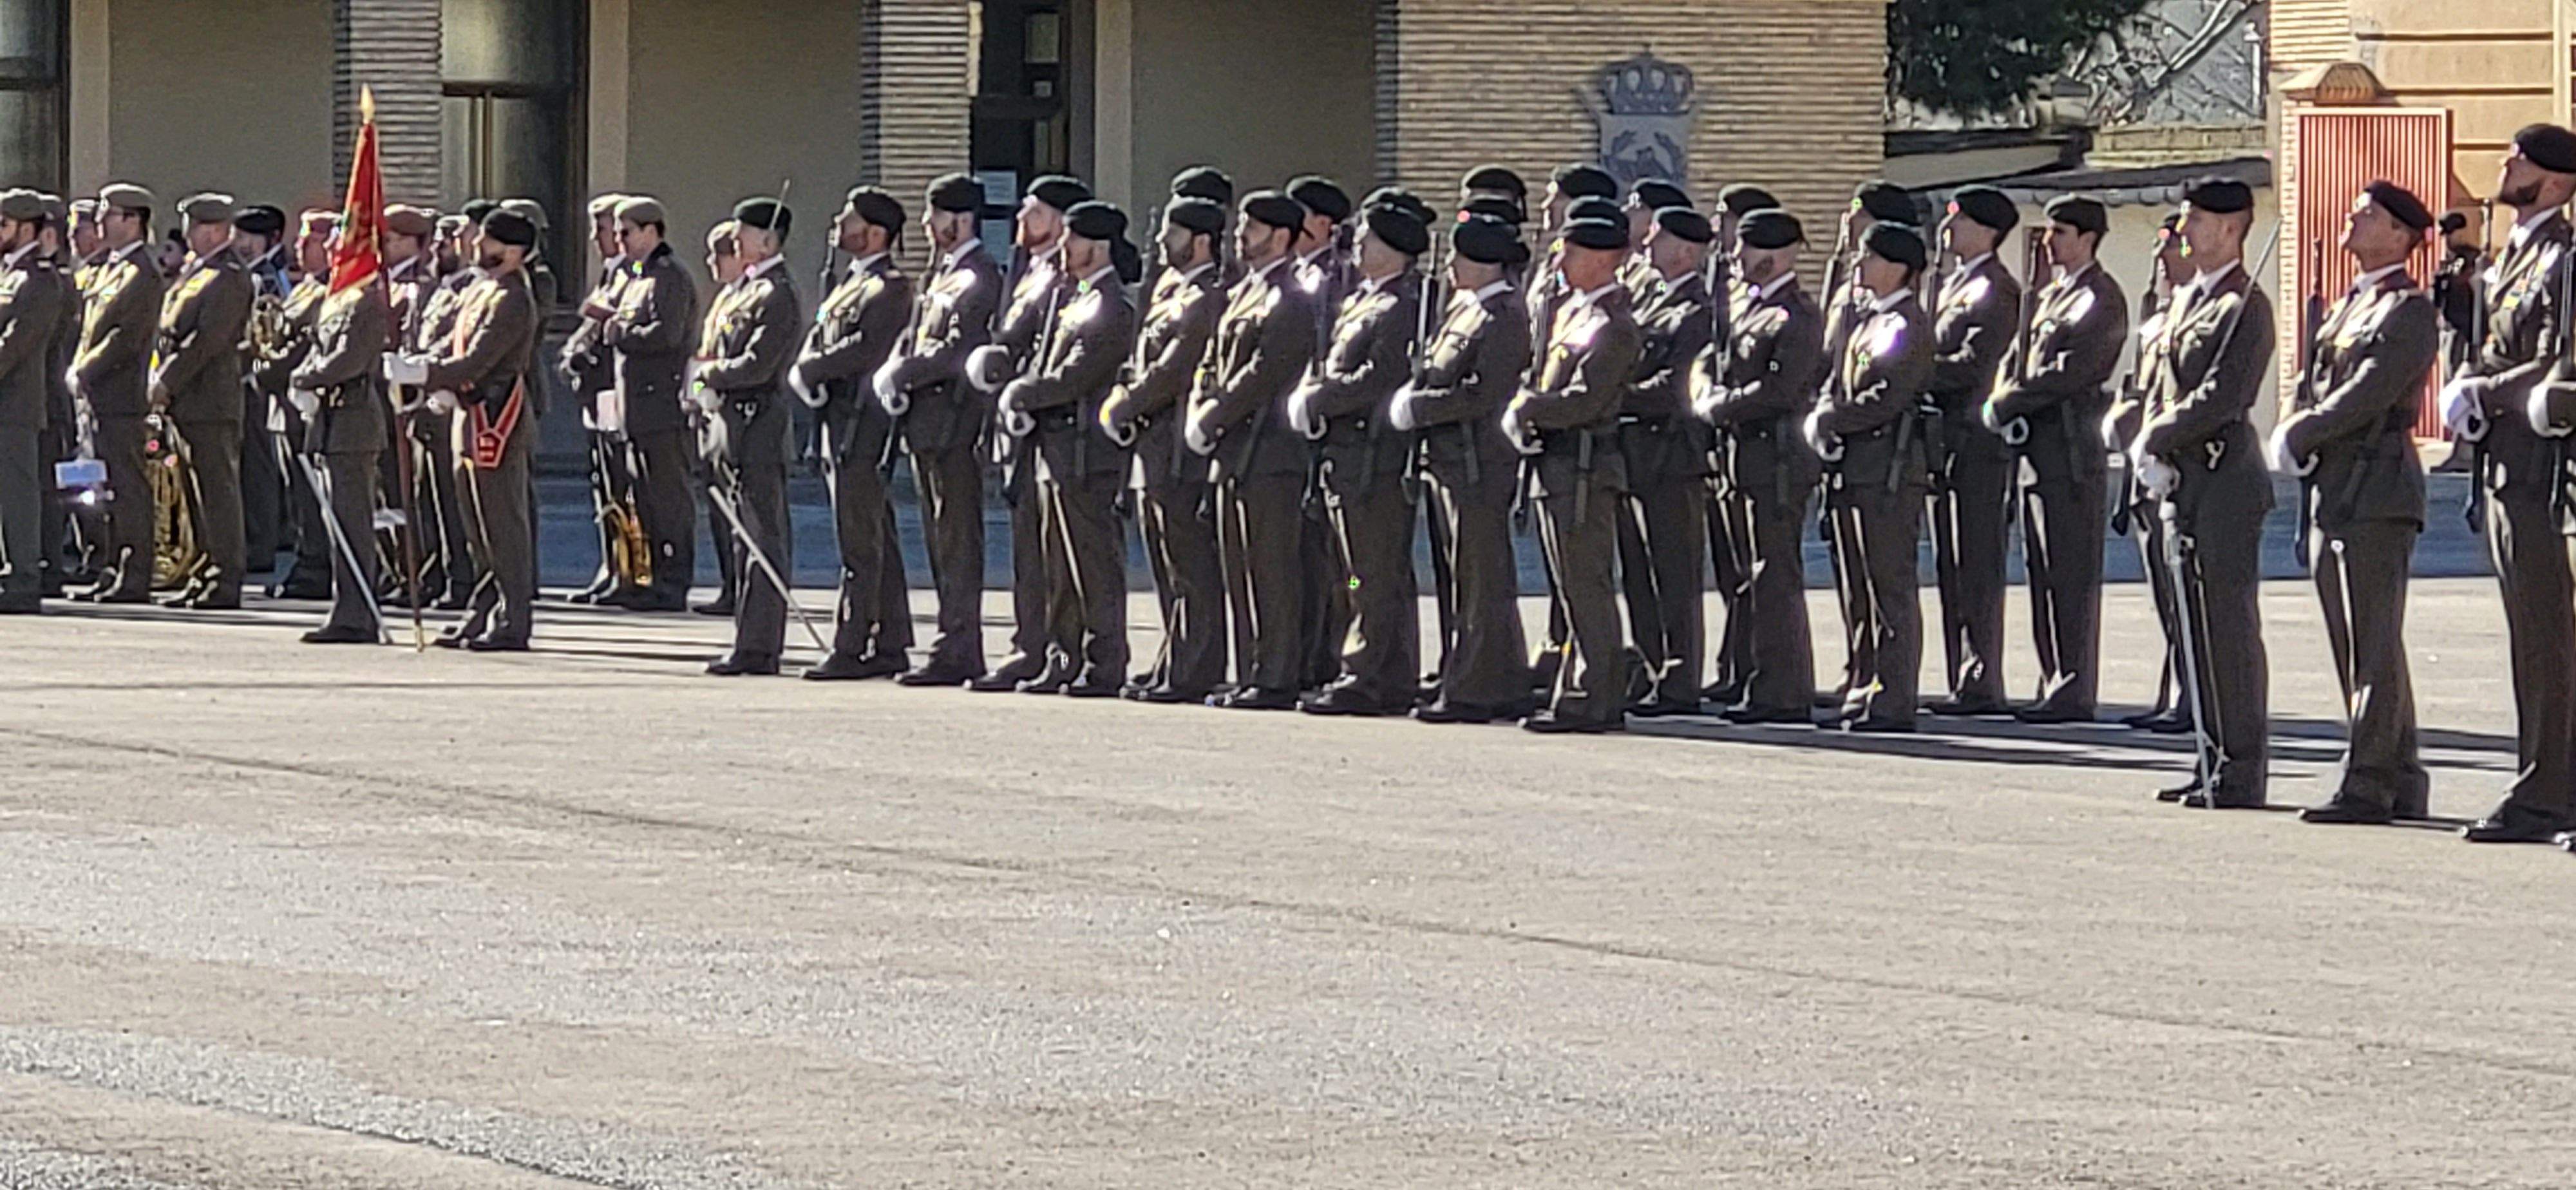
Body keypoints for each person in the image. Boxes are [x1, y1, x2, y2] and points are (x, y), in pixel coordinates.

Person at [2271, 180, 2438, 825]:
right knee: (2360, 641)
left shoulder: (2407, 310)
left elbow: (2368, 392)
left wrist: (2303, 431)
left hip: (2377, 486)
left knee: (2373, 640)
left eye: (2368, 215)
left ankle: (2368, 782)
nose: (2352, 218)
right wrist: (2293, 425)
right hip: (2334, 485)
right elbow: (2311, 381)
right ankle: (2402, 773)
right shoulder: (2347, 306)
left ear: (2400, 237)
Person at [2443, 124, 2576, 845]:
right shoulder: (2507, 259)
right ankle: (2547, 785)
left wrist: (2484, 392)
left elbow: (2559, 357)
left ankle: (2544, 793)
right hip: (2502, 466)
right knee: (2531, 636)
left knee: (2549, 640)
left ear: (2555, 184)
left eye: (2520, 161)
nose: (2506, 164)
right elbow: (2492, 347)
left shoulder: (2563, 260)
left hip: (2543, 470)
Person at [2131, 176, 2275, 808]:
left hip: (2223, 479)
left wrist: (2157, 435)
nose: (2185, 231)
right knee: (2191, 622)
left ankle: (2240, 766)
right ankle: (2210, 754)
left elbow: (2224, 395)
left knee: (2226, 628)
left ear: (2230, 228)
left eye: (2195, 221)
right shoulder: (2188, 299)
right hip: (2183, 480)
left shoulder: (2243, 305)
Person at [1986, 194, 2128, 724]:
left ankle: (2074, 685)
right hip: (2036, 452)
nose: (2050, 240)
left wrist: (2014, 399)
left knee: (2070, 572)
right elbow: (2013, 357)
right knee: (2041, 572)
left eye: (2061, 231)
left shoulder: (2099, 297)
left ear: (2088, 238)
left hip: (2069, 451)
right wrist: (2002, 394)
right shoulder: (2048, 297)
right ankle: (2052, 677)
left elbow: (2076, 367)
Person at [1505, 203, 1640, 734]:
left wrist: (1531, 408)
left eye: (1575, 250)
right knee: (1568, 587)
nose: (1562, 259)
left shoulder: (1614, 324)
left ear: (1606, 259)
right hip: (1557, 464)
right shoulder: (1571, 313)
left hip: (1586, 465)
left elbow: (1587, 399)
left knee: (1587, 584)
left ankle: (1595, 694)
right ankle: (1576, 689)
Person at [1289, 198, 1426, 715]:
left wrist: (1323, 398)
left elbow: (1378, 377)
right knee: (1352, 571)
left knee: (1372, 570)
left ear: (1392, 250)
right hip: (1344, 455)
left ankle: (1371, 671)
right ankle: (1378, 666)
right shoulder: (1364, 300)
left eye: (1368, 240)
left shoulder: (1399, 306)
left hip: (1375, 456)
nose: (1358, 248)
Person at [1397, 213, 1534, 723]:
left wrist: (1423, 406)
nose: (1451, 266)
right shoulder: (1464, 310)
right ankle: (1473, 673)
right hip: (1451, 462)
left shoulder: (1503, 315)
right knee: (1464, 578)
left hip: (1481, 462)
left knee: (1483, 579)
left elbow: (1484, 392)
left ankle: (1480, 686)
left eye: (1460, 257)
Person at [1186, 190, 1320, 710]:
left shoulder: (1290, 298)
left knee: (1272, 568)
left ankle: (1277, 673)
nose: (1242, 234)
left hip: (1270, 453)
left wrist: (1215, 414)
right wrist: (1203, 405)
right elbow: (1212, 362)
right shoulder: (1243, 292)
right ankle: (1251, 668)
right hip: (1233, 451)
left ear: (1281, 238)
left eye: (1254, 227)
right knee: (1238, 565)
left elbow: (1263, 375)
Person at [1002, 199, 1139, 696]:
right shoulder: (1074, 297)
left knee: (1093, 563)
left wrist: (1025, 392)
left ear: (1097, 247)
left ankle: (1105, 661)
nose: (1064, 247)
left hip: (1087, 449)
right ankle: (1064, 655)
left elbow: (1079, 373)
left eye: (1074, 240)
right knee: (1058, 562)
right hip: (1054, 446)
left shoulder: (1110, 304)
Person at [388, 207, 541, 652]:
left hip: (498, 414)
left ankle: (514, 619)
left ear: (513, 252)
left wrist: (422, 373)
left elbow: (478, 360)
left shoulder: (514, 297)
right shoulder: (481, 290)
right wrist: (420, 363)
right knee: (474, 524)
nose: (477, 247)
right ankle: (482, 611)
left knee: (502, 524)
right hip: (467, 412)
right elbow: (452, 342)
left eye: (488, 242)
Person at [1692, 207, 1823, 724]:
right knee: (1749, 577)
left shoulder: (1796, 315)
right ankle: (1756, 678)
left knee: (1775, 575)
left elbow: (1781, 390)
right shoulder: (1746, 308)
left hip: (1778, 458)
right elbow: (1711, 355)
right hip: (1740, 458)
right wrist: (1704, 388)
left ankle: (1784, 691)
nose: (1738, 257)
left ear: (1778, 253)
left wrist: (1721, 405)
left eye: (1749, 248)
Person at [1806, 222, 1935, 733]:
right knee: (1860, 585)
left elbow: (1888, 395)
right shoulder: (1867, 319)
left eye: (1870, 258)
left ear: (1898, 267)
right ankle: (1867, 682)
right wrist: (1824, 412)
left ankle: (1894, 695)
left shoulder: (1906, 322)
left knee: (1890, 586)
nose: (1859, 265)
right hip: (1854, 467)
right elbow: (1836, 379)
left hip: (1889, 468)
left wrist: (1834, 420)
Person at [1101, 196, 1229, 703]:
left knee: (1190, 565)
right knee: (1165, 562)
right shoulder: (1171, 291)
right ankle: (1174, 658)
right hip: (1151, 445)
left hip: (1178, 446)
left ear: (1199, 241)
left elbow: (1174, 369)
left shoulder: (1207, 296)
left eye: (1172, 233)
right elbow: (1141, 360)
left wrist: (1125, 405)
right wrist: (1124, 397)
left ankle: (1196, 666)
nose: (1160, 242)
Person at [965, 173, 1090, 692]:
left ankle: (1063, 647)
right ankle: (1029, 642)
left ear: (1060, 224)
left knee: (1058, 552)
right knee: (1025, 548)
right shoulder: (1027, 272)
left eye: (1034, 213)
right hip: (1018, 428)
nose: (1020, 221)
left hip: (1054, 428)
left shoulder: (1067, 283)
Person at [878, 173, 1003, 686]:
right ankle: (950, 642)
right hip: (927, 423)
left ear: (960, 219)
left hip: (956, 423)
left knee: (956, 542)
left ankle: (960, 648)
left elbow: (956, 348)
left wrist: (906, 372)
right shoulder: (944, 274)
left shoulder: (978, 275)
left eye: (935, 215)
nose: (928, 225)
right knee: (938, 539)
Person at [790, 185, 914, 681]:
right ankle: (890, 640)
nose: (839, 223)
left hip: (863, 424)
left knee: (860, 541)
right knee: (872, 535)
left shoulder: (889, 287)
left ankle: (853, 642)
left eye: (851, 218)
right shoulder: (847, 283)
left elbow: (867, 348)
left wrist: (813, 367)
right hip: (836, 420)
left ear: (876, 233)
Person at [1922, 186, 2023, 717]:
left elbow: (1976, 363)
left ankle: (1982, 675)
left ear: (1985, 231)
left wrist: (1915, 373)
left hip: (1976, 442)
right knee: (1950, 561)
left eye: (1957, 221)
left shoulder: (1994, 289)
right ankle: (1963, 673)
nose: (1947, 230)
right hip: (1946, 443)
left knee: (1977, 562)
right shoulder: (1953, 285)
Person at [1616, 204, 1716, 716]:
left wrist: (1614, 394)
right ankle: (1652, 666)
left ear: (1685, 251)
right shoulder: (1654, 302)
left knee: (1673, 575)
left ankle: (1679, 679)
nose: (1646, 246)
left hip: (1672, 457)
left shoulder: (1697, 311)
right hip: (1637, 455)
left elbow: (1676, 388)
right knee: (1640, 574)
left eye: (1657, 239)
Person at [696, 196, 802, 675]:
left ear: (767, 240)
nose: (735, 243)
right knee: (741, 540)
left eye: (743, 236)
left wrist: (711, 376)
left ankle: (760, 645)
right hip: (729, 425)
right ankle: (747, 635)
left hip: (759, 422)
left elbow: (758, 364)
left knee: (762, 538)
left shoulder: (777, 293)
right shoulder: (742, 292)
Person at [2108, 212, 2197, 734]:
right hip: (2145, 472)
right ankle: (2175, 690)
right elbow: (2140, 389)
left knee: (2187, 596)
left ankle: (2194, 696)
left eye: (2173, 249)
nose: (2162, 260)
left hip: (2176, 470)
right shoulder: (2158, 316)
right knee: (2164, 595)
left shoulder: (2206, 314)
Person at [288, 220, 393, 644]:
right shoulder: (338, 299)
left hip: (353, 421)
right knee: (337, 524)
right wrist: (307, 374)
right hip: (331, 422)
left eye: (338, 242)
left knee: (353, 523)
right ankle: (346, 606)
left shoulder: (367, 302)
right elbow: (319, 349)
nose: (331, 249)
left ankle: (357, 614)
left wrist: (304, 378)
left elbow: (349, 360)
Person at [591, 196, 697, 612]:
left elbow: (666, 334)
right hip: (634, 405)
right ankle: (644, 576)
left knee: (668, 497)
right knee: (643, 499)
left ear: (651, 231)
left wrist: (616, 330)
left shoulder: (668, 277)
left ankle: (674, 580)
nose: (619, 241)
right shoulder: (637, 275)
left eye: (626, 232)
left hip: (661, 404)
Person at [152, 193, 254, 609]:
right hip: (189, 401)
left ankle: (226, 576)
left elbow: (207, 340)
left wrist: (168, 380)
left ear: (214, 230)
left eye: (195, 227)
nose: (189, 235)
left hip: (211, 399)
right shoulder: (198, 272)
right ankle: (202, 569)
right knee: (194, 495)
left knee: (218, 492)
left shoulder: (228, 276)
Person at [66, 184, 162, 604]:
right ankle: (108, 565)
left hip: (120, 396)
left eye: (110, 215)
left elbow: (125, 338)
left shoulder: (143, 273)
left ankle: (134, 571)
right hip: (96, 396)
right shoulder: (110, 268)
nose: (101, 222)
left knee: (127, 487)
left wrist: (85, 369)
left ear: (134, 221)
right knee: (100, 488)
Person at [560, 192, 642, 607]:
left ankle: (634, 570)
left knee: (624, 484)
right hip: (599, 390)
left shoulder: (640, 274)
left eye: (606, 229)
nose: (599, 237)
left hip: (621, 389)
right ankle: (613, 565)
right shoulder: (611, 275)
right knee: (603, 483)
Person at [252, 209, 338, 601]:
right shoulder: (303, 287)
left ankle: (318, 566)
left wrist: (269, 371)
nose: (301, 247)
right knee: (297, 492)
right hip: (281, 405)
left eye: (312, 240)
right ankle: (307, 557)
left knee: (313, 491)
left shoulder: (331, 292)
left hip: (306, 404)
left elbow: (304, 345)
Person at [0, 189, 64, 613]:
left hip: (16, 403)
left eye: (4, 224)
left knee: (19, 492)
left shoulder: (39, 279)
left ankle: (26, 577)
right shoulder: (9, 274)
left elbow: (17, 344)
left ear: (26, 229)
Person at [690, 221, 747, 618]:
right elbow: (703, 354)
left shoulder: (753, 297)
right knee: (718, 509)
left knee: (741, 514)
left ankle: (741, 588)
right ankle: (731, 584)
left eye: (720, 254)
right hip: (711, 414)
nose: (712, 262)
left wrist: (708, 380)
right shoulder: (725, 299)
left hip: (738, 416)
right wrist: (695, 397)